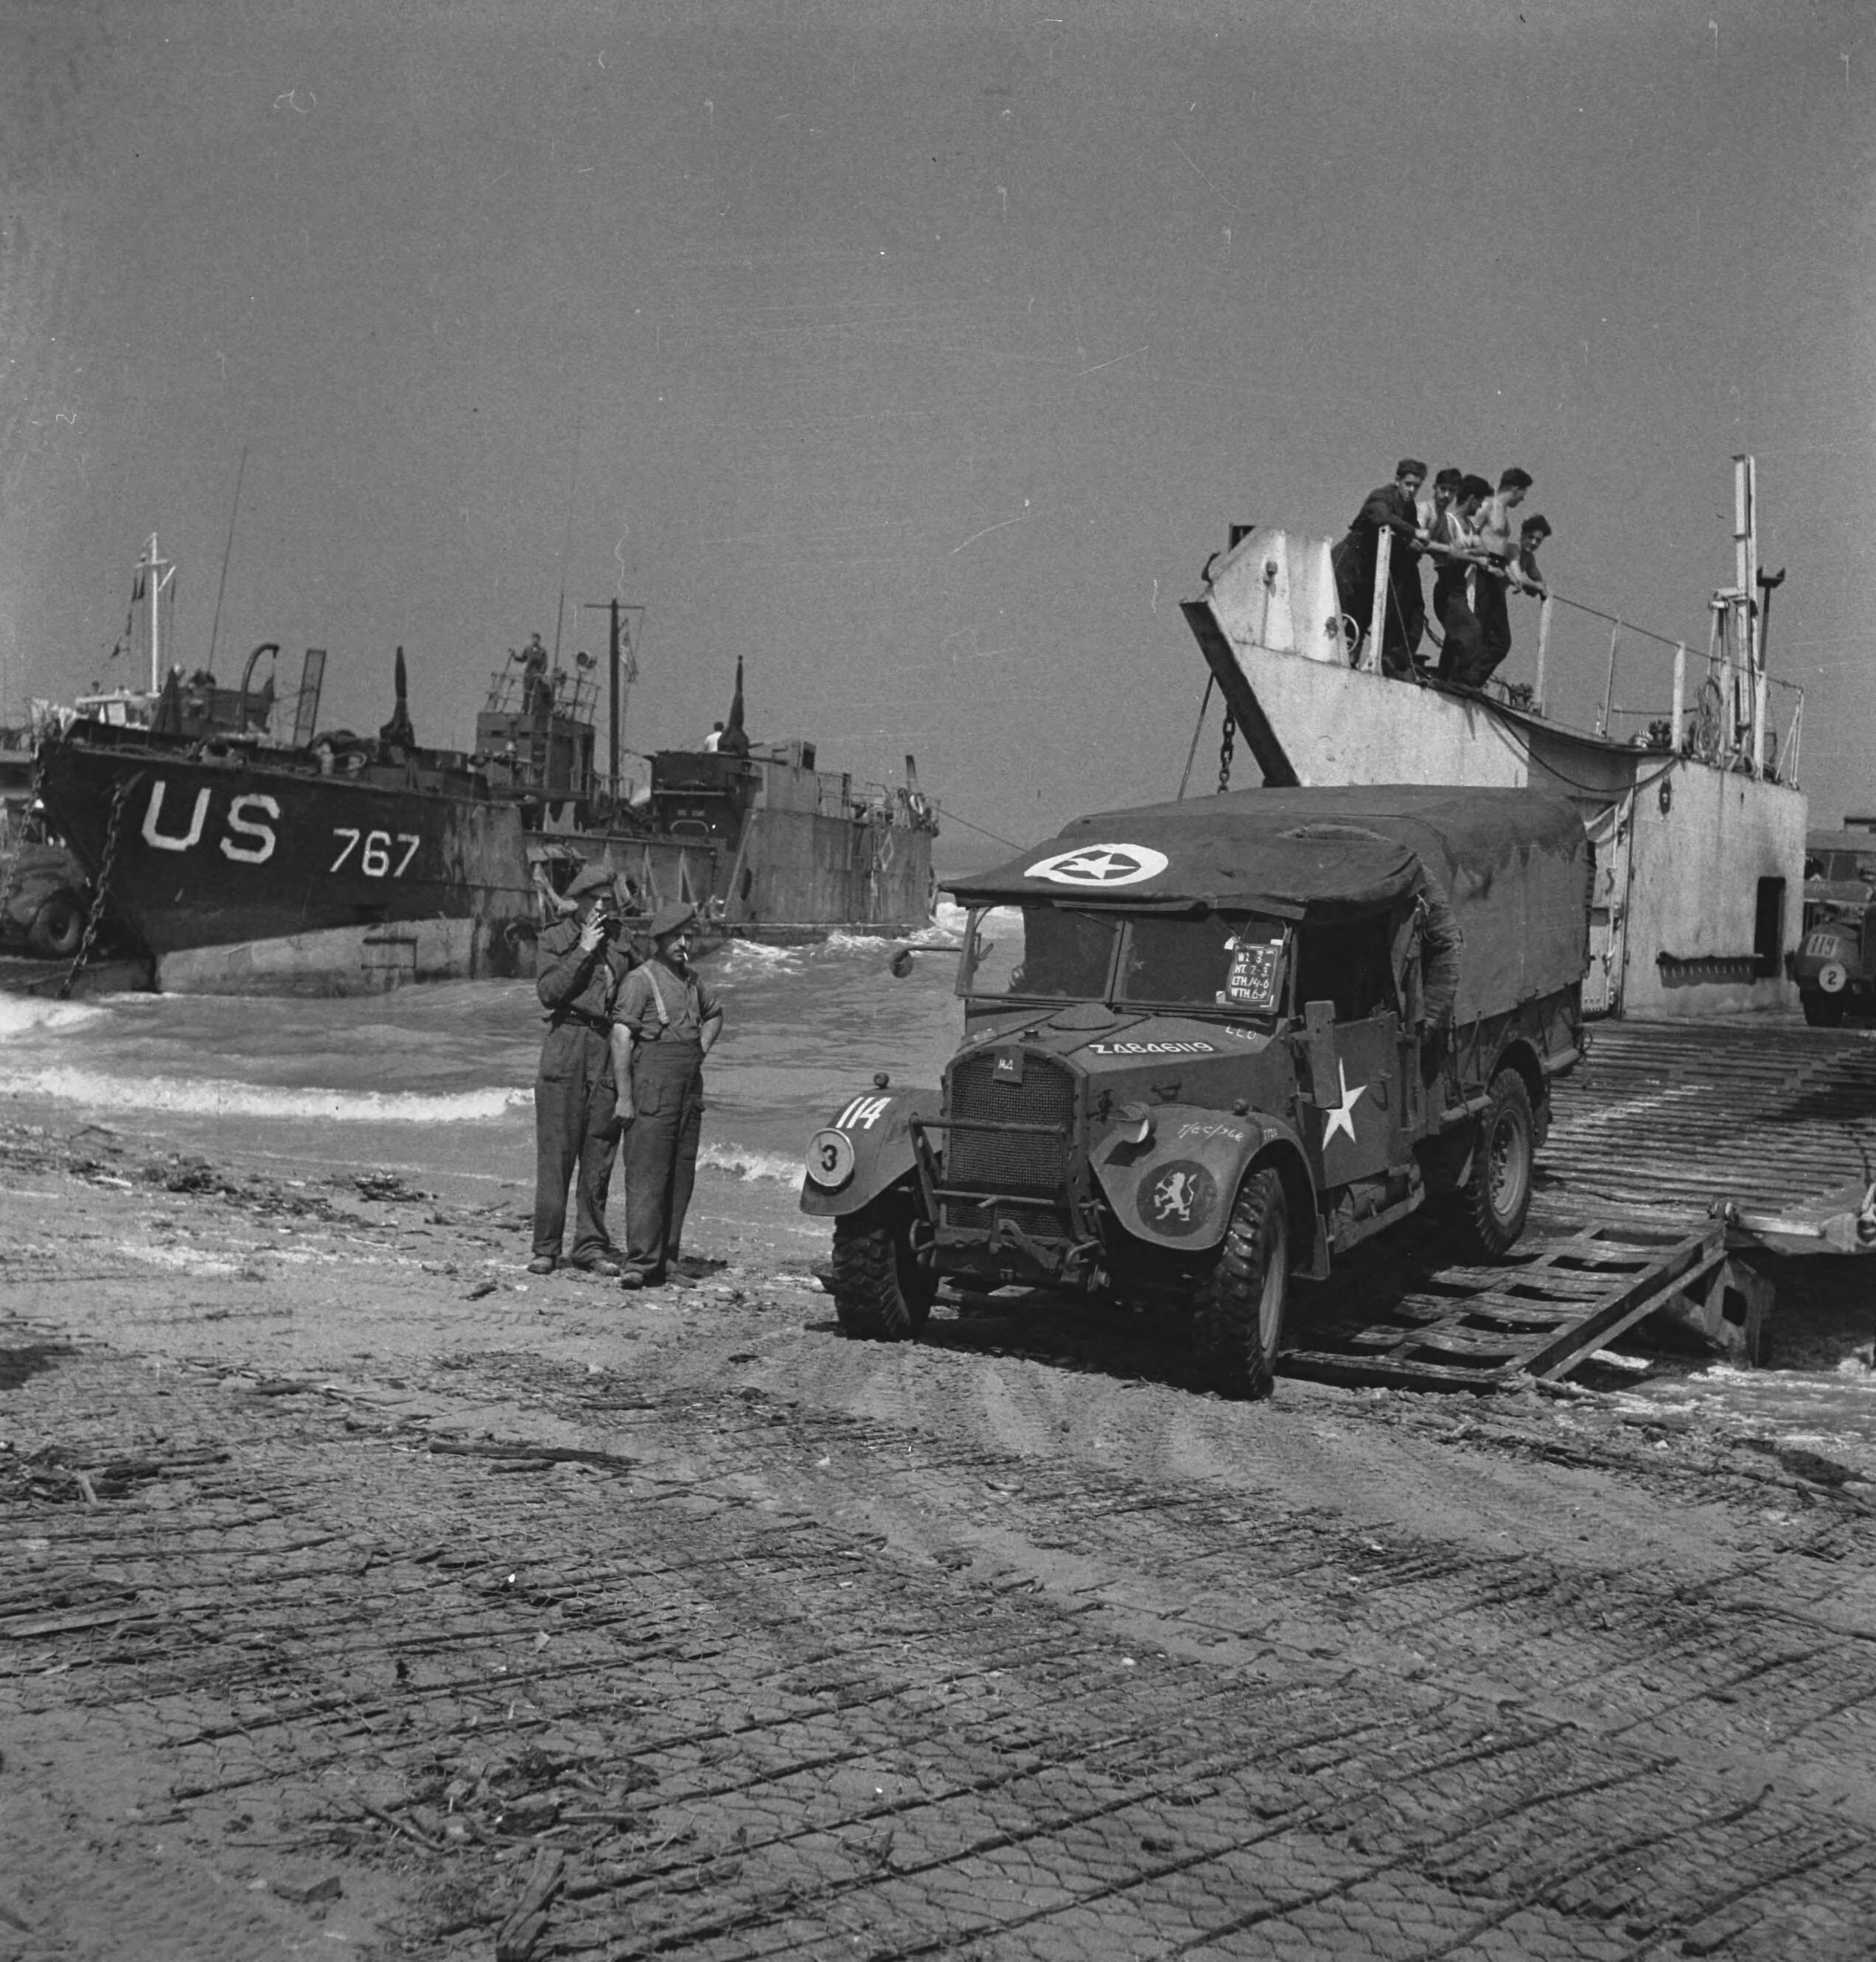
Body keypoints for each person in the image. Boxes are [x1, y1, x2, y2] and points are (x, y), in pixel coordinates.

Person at [529, 862, 636, 1277]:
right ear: (577, 901)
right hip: (566, 1045)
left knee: (600, 1153)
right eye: (595, 900)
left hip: (607, 1047)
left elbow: (639, 987)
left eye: (607, 901)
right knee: (556, 1155)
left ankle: (590, 1246)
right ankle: (546, 1247)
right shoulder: (554, 938)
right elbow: (548, 993)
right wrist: (584, 950)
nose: (602, 908)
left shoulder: (622, 940)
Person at [613, 902, 722, 1289]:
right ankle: (640, 1263)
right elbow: (621, 1038)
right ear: (658, 940)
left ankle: (669, 1261)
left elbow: (715, 1014)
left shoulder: (692, 981)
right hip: (652, 1089)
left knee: (680, 1176)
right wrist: (624, 1098)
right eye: (675, 936)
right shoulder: (639, 980)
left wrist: (701, 1050)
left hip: (688, 1089)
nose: (683, 942)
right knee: (646, 1177)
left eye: (687, 935)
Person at [1330, 458, 1429, 679]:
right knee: (1338, 608)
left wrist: (1413, 540)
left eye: (1416, 486)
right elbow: (1381, 517)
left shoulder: (1408, 506)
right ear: (1398, 480)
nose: (1411, 490)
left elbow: (1411, 528)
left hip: (1371, 566)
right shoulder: (1381, 496)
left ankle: (1351, 663)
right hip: (1350, 560)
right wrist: (1412, 533)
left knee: (1362, 614)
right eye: (1408, 484)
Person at [1464, 467, 1533, 689]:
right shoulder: (1488, 505)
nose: (1523, 499)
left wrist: (1512, 575)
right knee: (1478, 630)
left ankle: (1471, 681)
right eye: (1523, 493)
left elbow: (1501, 548)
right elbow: (1468, 532)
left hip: (1497, 574)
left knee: (1501, 640)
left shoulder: (1504, 512)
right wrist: (1483, 559)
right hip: (1482, 571)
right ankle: (1463, 679)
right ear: (1515, 489)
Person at [1430, 473, 1492, 684]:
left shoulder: (1470, 526)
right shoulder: (1449, 521)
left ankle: (1445, 679)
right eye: (1480, 501)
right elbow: (1451, 554)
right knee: (1472, 631)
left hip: (1459, 590)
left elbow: (1483, 550)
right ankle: (1460, 681)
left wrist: (1467, 553)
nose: (1480, 506)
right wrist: (1472, 556)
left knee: (1456, 636)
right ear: (1472, 498)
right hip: (1447, 588)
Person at [1516, 514, 1552, 599]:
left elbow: (1539, 580)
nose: (1533, 543)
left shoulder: (1529, 558)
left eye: (1538, 540)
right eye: (1530, 537)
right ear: (1522, 534)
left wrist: (1544, 591)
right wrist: (1534, 586)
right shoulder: (1512, 548)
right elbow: (1514, 576)